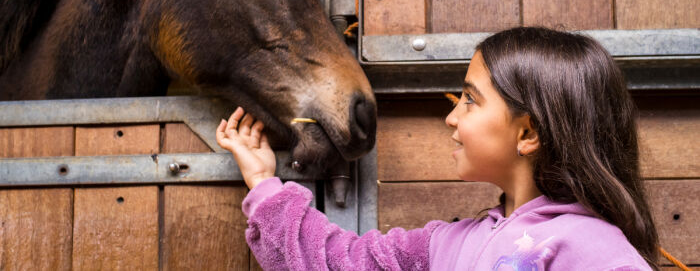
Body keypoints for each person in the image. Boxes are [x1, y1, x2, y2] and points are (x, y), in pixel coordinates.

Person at [216, 26, 658, 270]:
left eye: (470, 99)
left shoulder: (591, 248)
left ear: (527, 134)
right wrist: (263, 182)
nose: (452, 116)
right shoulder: (441, 247)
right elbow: (333, 262)